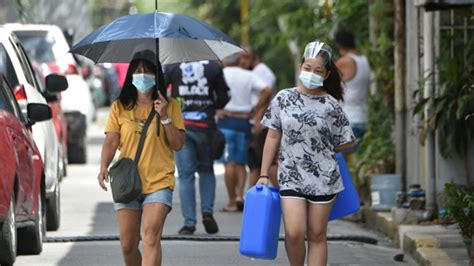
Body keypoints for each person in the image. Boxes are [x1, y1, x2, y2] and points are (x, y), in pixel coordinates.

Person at [257, 41, 355, 266]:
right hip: (290, 174)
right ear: (301, 66)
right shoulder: (283, 98)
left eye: (318, 70)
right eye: (308, 68)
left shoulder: (331, 105)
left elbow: (347, 141)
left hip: (324, 177)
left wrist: (323, 146)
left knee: (317, 235)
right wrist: (263, 174)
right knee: (293, 232)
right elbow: (272, 136)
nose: (311, 73)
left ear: (326, 73)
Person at [97, 53, 185, 266]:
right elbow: (111, 141)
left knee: (150, 237)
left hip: (159, 182)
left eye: (147, 71)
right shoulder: (120, 106)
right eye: (137, 71)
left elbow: (178, 143)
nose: (142, 75)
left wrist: (164, 117)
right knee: (128, 245)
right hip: (128, 182)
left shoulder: (170, 105)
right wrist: (103, 167)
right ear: (130, 75)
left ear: (157, 75)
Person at [164, 60, 230, 235]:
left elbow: (160, 94)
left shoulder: (172, 66)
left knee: (185, 175)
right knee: (206, 170)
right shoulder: (213, 67)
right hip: (206, 127)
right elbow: (224, 96)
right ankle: (207, 212)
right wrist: (210, 105)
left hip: (181, 127)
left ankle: (189, 223)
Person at [218, 52, 271, 212]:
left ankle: (232, 201)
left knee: (229, 162)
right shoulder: (248, 75)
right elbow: (267, 90)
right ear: (239, 60)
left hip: (226, 121)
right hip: (243, 122)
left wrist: (217, 108)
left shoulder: (221, 74)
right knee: (241, 162)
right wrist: (256, 110)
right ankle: (240, 195)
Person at [239, 47, 279, 188]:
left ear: (253, 57)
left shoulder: (261, 71)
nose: (241, 61)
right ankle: (254, 196)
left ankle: (279, 194)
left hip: (262, 124)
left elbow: (266, 94)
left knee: (263, 163)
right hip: (260, 122)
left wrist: (258, 117)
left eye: (245, 57)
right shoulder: (256, 71)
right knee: (255, 164)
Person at [335, 30, 371, 141]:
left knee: (343, 158)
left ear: (339, 45)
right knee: (357, 158)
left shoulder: (344, 62)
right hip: (363, 118)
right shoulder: (364, 61)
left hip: (348, 120)